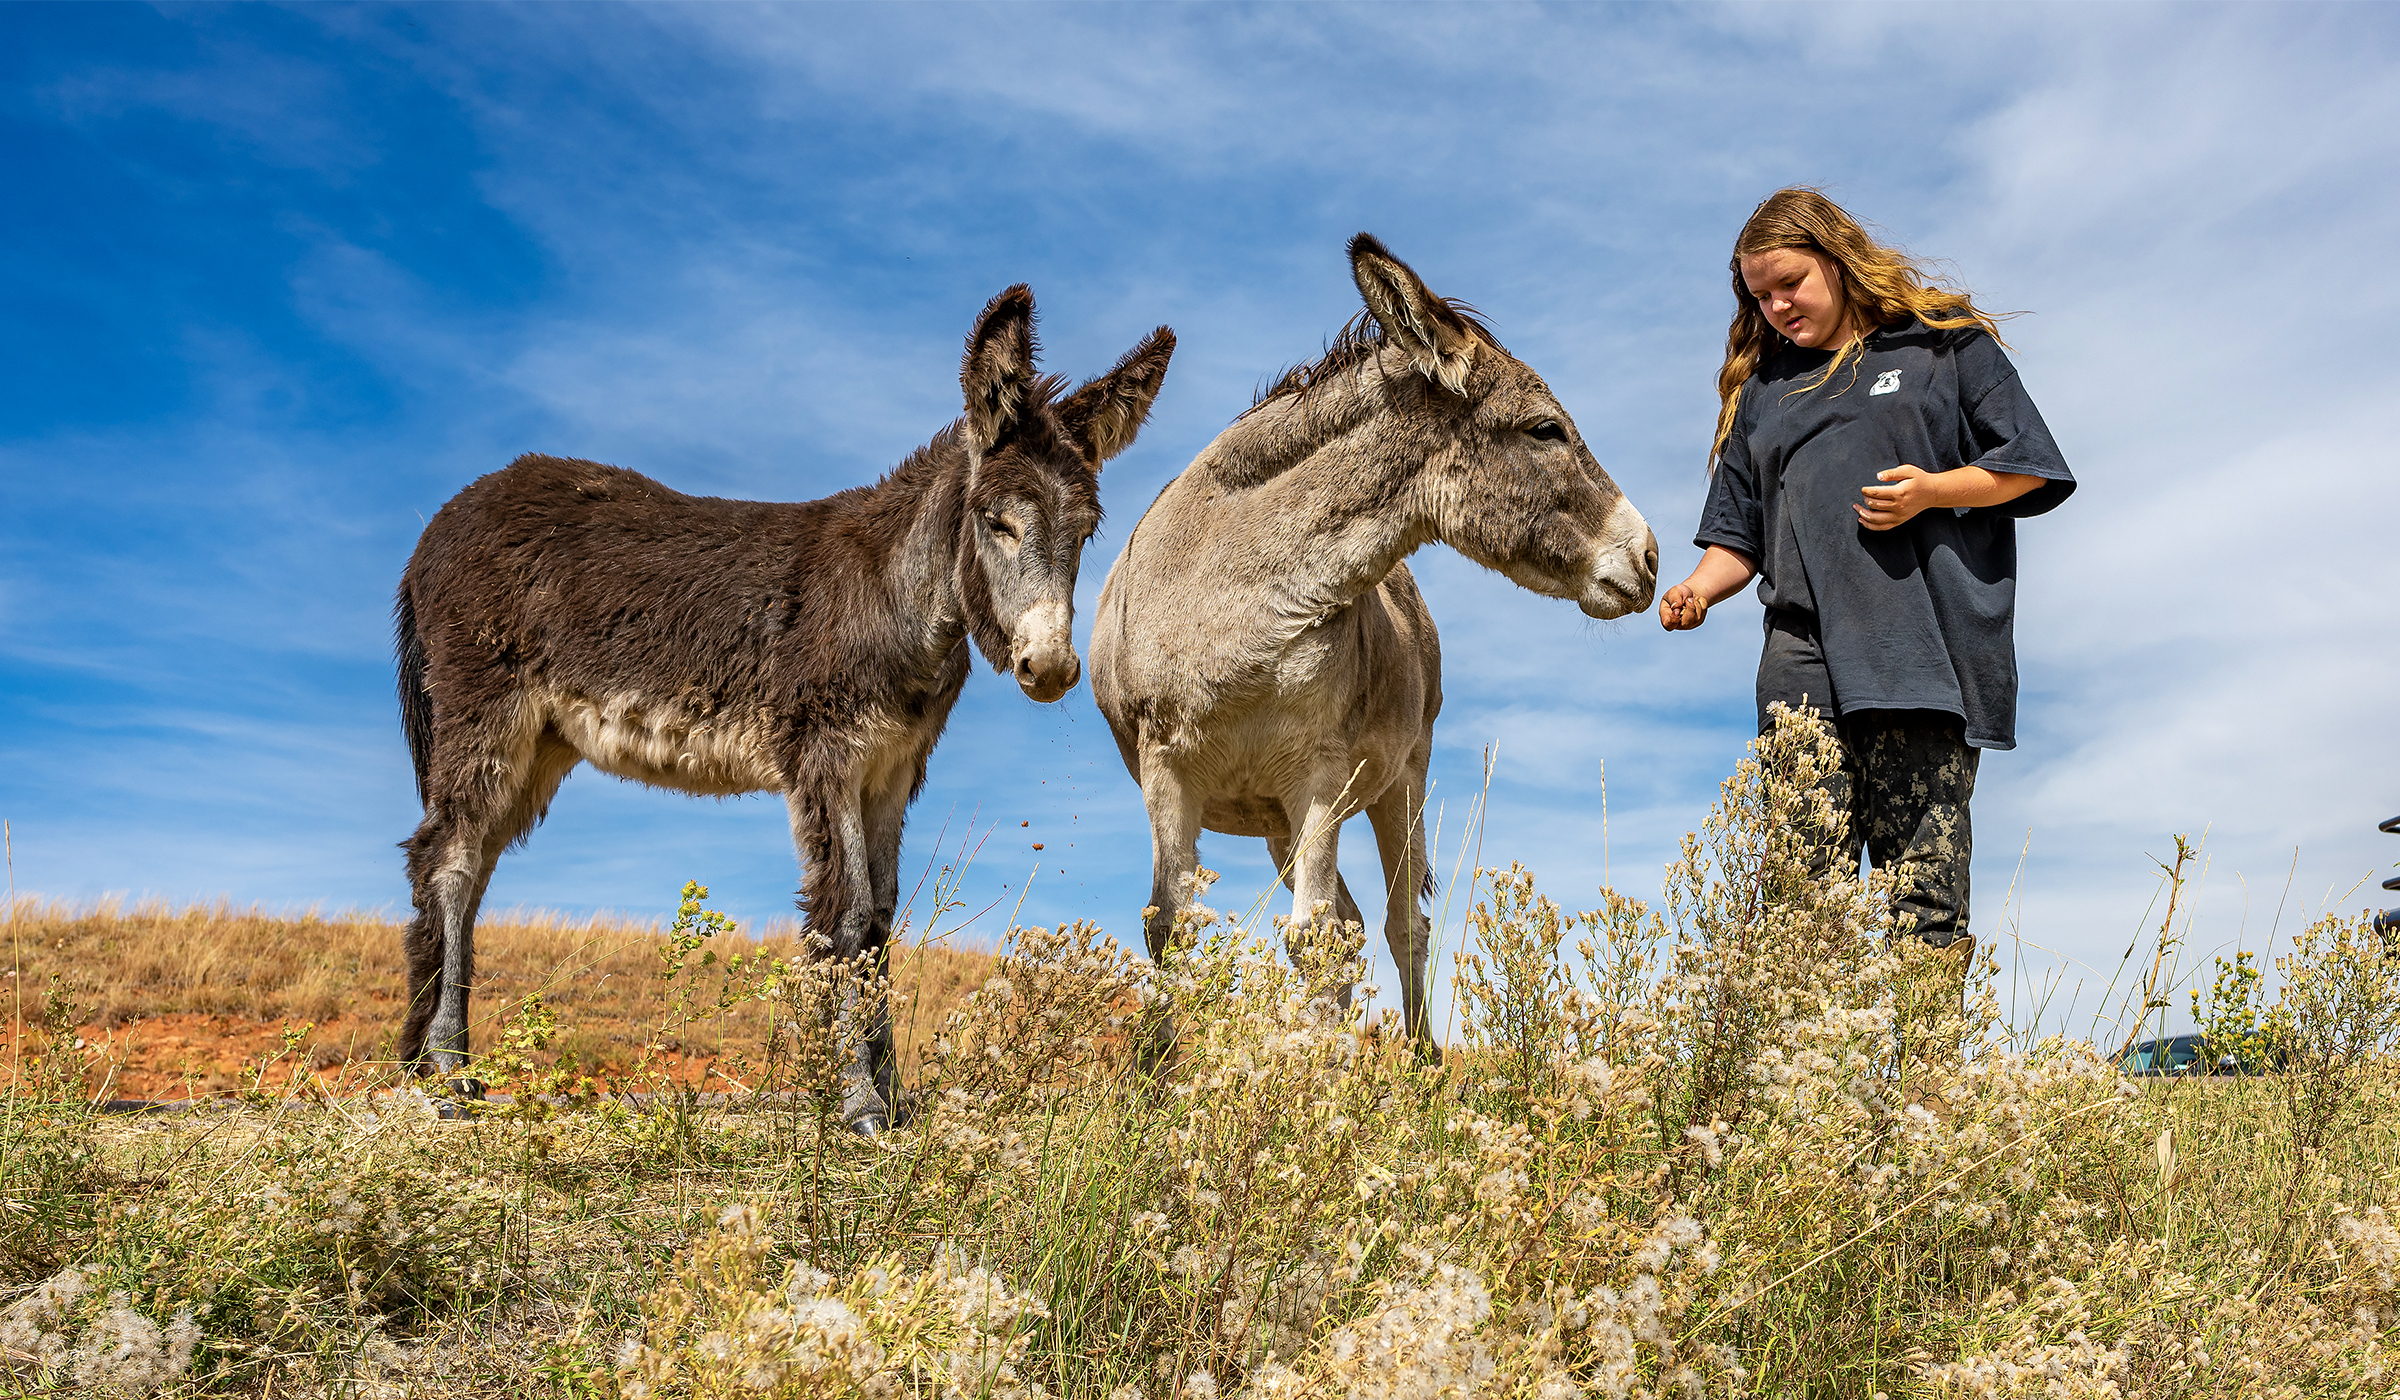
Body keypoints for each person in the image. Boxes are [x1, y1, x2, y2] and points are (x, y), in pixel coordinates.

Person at [1659, 188, 2074, 949]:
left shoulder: (1942, 346)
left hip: (1919, 658)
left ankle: (1925, 1073)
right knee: (1799, 905)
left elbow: (2032, 469)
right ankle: (1809, 1070)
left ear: (1839, 261)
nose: (1779, 305)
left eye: (1792, 283)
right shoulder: (1764, 393)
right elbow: (1740, 538)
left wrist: (1933, 492)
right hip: (1800, 666)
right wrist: (1698, 590)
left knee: (1923, 902)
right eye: (1762, 296)